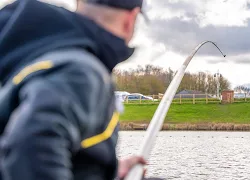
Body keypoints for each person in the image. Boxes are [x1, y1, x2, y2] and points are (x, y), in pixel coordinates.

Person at [0, 0, 150, 179]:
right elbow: (30, 143)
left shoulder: (39, 57)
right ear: (131, 20)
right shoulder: (81, 71)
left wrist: (108, 172)